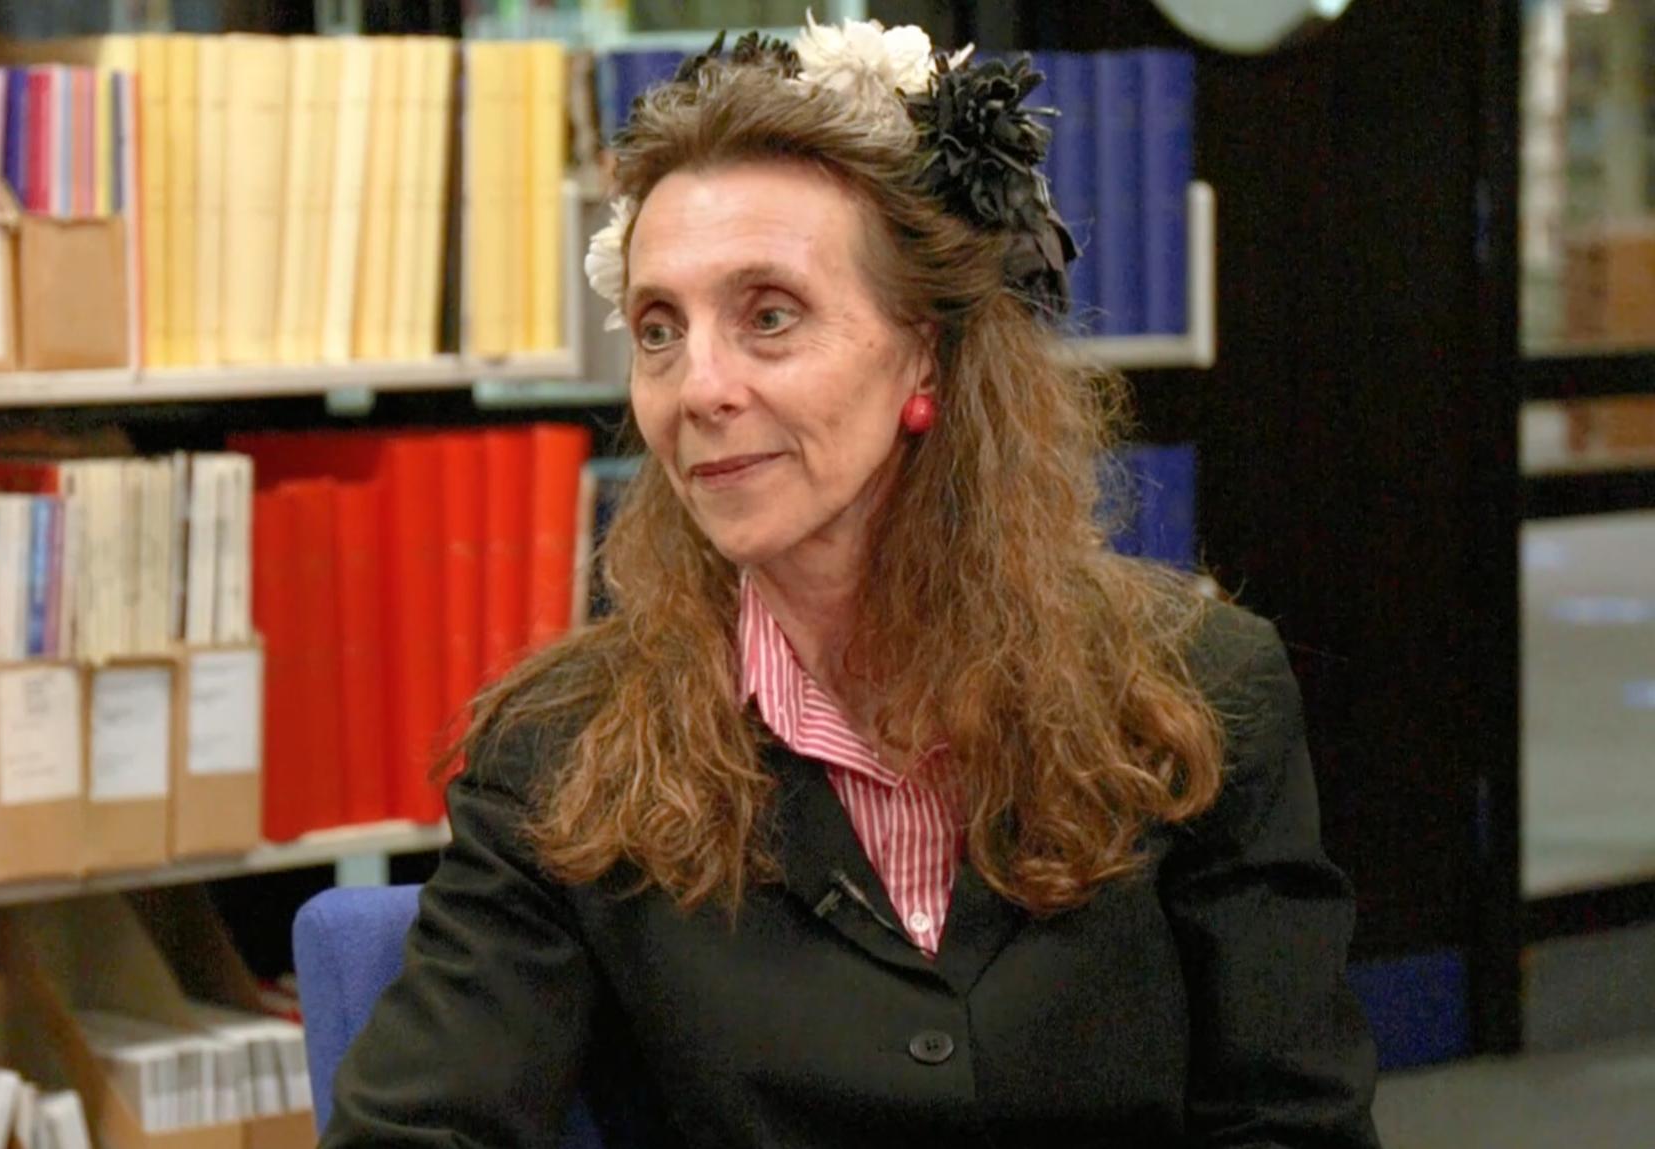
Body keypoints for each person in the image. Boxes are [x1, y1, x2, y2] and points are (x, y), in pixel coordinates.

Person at [321, 17, 1382, 1149]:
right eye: (658, 330)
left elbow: (1291, 1124)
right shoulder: (557, 753)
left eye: (769, 316)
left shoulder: (1198, 695)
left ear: (923, 350)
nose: (698, 387)